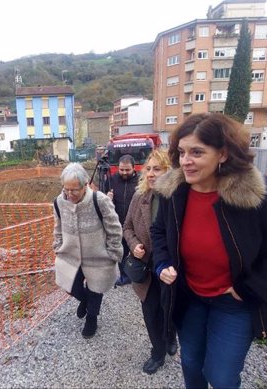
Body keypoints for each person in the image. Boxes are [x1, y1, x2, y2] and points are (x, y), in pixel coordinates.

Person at [150, 113, 267, 388]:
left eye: (197, 152)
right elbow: (159, 232)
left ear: (222, 154)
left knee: (221, 376)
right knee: (192, 365)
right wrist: (162, 263)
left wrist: (250, 288)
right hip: (191, 296)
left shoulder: (258, 194)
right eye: (182, 152)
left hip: (234, 302)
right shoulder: (173, 193)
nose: (186, 161)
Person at [122, 149, 178, 375]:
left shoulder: (177, 198)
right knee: (150, 312)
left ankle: (171, 335)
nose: (152, 174)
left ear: (168, 171)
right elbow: (127, 228)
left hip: (171, 269)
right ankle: (158, 352)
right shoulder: (139, 197)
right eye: (149, 169)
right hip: (146, 267)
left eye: (158, 169)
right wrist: (134, 245)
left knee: (170, 309)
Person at [53, 163, 124, 339]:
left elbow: (114, 228)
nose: (69, 194)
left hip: (98, 257)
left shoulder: (99, 200)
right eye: (66, 189)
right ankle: (84, 300)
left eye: (74, 190)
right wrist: (57, 245)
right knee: (71, 286)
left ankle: (91, 319)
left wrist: (113, 253)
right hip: (70, 256)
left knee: (95, 289)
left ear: (85, 185)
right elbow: (58, 227)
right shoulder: (59, 202)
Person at [107, 154, 139, 286]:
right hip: (118, 223)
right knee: (121, 251)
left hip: (135, 224)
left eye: (127, 170)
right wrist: (107, 198)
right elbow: (102, 200)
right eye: (121, 170)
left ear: (134, 168)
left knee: (137, 250)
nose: (124, 173)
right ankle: (124, 275)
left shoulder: (141, 181)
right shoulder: (111, 180)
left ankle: (138, 274)